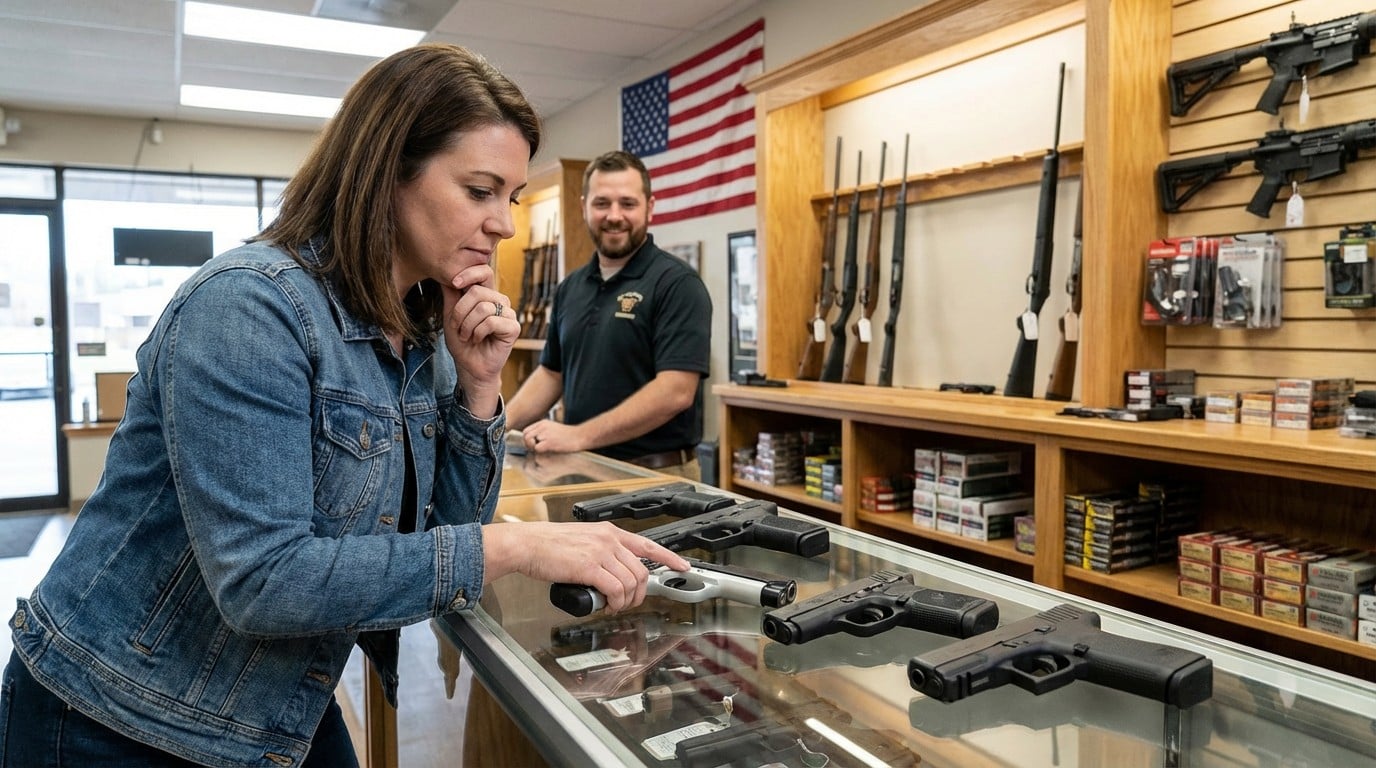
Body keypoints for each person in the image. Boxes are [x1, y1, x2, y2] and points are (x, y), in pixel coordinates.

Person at [0, 44, 686, 768]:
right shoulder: (249, 307)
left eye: (510, 198)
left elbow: (449, 540)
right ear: (389, 170)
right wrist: (515, 546)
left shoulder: (422, 331)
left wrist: (481, 390)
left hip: (274, 703)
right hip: (114, 716)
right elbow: (265, 581)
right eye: (480, 190)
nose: (505, 225)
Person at [506, 151, 712, 480]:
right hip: (575, 468)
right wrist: (496, 424)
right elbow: (552, 374)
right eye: (602, 203)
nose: (614, 216)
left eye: (627, 204)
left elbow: (675, 391)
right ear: (584, 207)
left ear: (650, 207)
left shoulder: (677, 284)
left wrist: (576, 435)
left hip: (654, 481)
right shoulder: (570, 287)